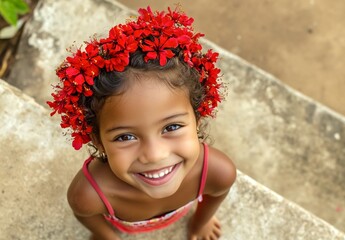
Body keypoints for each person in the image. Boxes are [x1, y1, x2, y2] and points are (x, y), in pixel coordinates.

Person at [47, 6, 236, 240]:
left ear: (197, 119)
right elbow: (86, 216)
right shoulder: (89, 195)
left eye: (171, 127)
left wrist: (201, 222)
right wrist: (109, 236)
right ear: (98, 140)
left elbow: (217, 194)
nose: (155, 155)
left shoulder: (217, 173)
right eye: (125, 137)